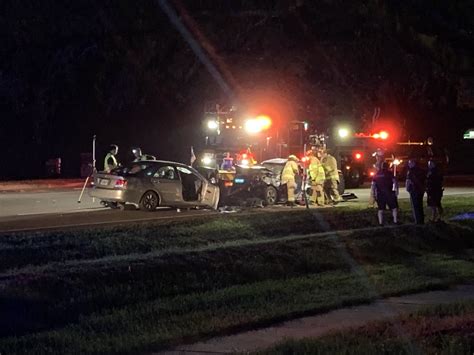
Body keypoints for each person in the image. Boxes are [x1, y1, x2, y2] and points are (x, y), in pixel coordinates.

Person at [371, 161, 399, 225]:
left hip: (380, 194)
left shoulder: (377, 174)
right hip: (389, 193)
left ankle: (380, 223)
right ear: (388, 167)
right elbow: (395, 182)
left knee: (381, 209)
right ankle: (395, 221)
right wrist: (396, 191)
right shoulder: (390, 173)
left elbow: (373, 185)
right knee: (394, 208)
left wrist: (374, 194)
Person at [406, 158, 426, 224]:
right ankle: (422, 220)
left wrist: (408, 188)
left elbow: (408, 181)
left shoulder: (411, 171)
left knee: (415, 206)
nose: (408, 164)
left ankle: (417, 221)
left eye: (409, 163)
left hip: (414, 190)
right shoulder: (422, 170)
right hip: (421, 189)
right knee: (420, 205)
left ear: (413, 163)